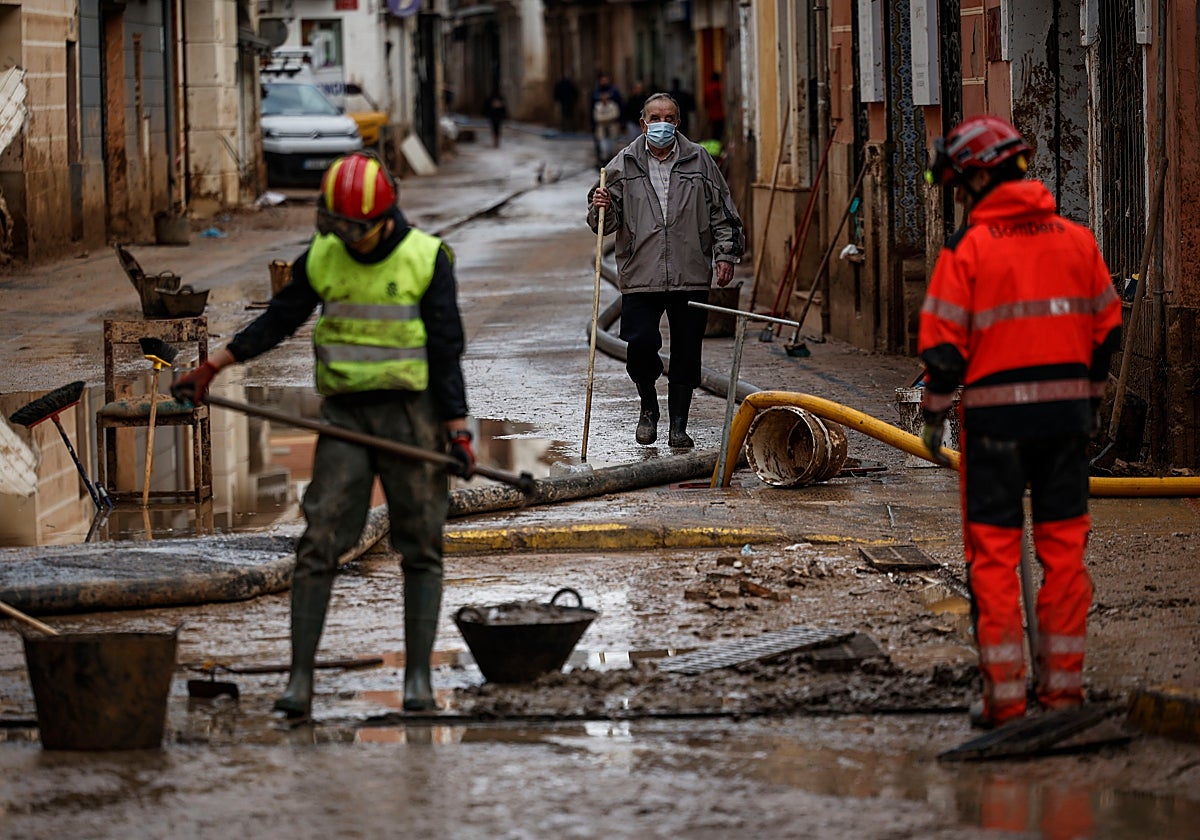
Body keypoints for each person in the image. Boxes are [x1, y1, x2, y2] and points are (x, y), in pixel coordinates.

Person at [171, 151, 474, 719]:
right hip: (345, 419)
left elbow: (445, 350)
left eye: (355, 228)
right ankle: (300, 683)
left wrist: (457, 431)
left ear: (385, 218)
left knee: (421, 546)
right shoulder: (326, 255)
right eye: (337, 226)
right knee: (319, 544)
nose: (347, 238)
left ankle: (416, 681)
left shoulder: (425, 258)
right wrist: (212, 366)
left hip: (413, 417)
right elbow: (279, 320)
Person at [917, 115, 1122, 730]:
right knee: (1063, 556)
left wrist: (933, 417)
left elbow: (944, 351)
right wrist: (1082, 402)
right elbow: (1106, 333)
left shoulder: (968, 248)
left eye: (959, 187)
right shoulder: (1078, 239)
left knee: (995, 559)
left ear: (978, 178)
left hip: (995, 432)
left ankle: (1005, 701)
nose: (958, 198)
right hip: (1065, 429)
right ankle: (1063, 693)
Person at [587, 92, 744, 449]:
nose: (662, 124)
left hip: (690, 271)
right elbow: (602, 225)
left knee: (688, 351)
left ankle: (678, 425)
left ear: (678, 123)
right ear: (643, 124)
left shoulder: (699, 159)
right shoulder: (622, 165)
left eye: (669, 118)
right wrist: (599, 205)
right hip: (640, 272)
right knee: (640, 344)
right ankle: (647, 407)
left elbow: (723, 211)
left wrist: (725, 255)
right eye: (654, 118)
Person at [592, 89, 622, 165]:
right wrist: (608, 118)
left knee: (612, 149)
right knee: (604, 149)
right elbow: (597, 118)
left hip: (612, 130)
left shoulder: (613, 105)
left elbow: (615, 115)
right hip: (602, 131)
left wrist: (604, 118)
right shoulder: (597, 106)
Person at [702, 71, 726, 142]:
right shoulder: (720, 87)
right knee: (720, 133)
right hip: (721, 114)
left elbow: (705, 103)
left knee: (714, 133)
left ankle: (714, 148)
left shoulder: (708, 89)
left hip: (712, 115)